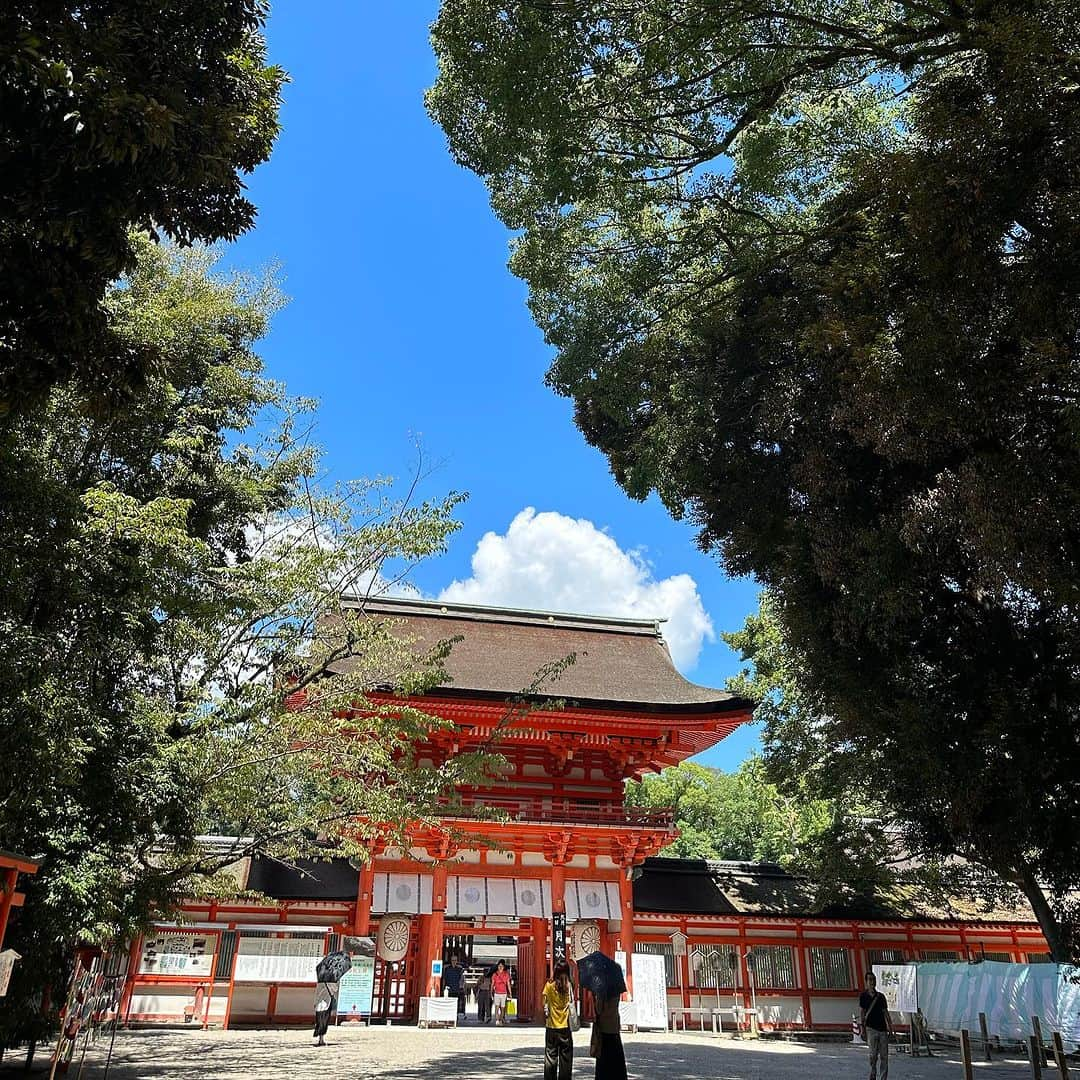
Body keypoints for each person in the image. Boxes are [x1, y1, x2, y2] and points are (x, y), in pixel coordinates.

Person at [859, 971, 894, 1080]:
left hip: (882, 1029)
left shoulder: (881, 997)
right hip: (871, 1029)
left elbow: (885, 1012)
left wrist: (890, 1027)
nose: (871, 982)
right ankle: (873, 1070)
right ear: (866, 982)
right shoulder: (863, 996)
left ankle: (883, 1077)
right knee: (873, 1055)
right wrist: (863, 1028)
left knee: (884, 1056)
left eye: (873, 979)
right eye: (869, 979)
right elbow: (862, 1012)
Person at [542, 960, 574, 1080]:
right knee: (566, 1059)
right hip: (565, 1026)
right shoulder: (569, 985)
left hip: (551, 1026)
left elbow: (544, 1003)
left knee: (550, 1057)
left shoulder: (549, 985)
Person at [592, 992, 627, 1080]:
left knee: (603, 1059)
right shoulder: (616, 990)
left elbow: (599, 1009)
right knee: (616, 1057)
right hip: (614, 1025)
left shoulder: (602, 990)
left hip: (604, 1027)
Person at [312, 979, 337, 1046]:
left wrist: (315, 1002)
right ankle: (321, 1039)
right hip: (325, 1004)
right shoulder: (330, 982)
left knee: (320, 1022)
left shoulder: (320, 982)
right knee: (323, 1022)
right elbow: (335, 990)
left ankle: (321, 1038)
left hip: (320, 1005)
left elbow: (317, 993)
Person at [491, 959, 512, 1025]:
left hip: (504, 993)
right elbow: (492, 984)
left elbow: (508, 984)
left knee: (503, 1008)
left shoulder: (506, 974)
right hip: (497, 993)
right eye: (499, 966)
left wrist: (510, 993)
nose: (500, 967)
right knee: (497, 1007)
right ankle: (497, 1020)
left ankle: (501, 1019)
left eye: (501, 966)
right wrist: (491, 992)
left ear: (503, 967)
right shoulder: (495, 974)